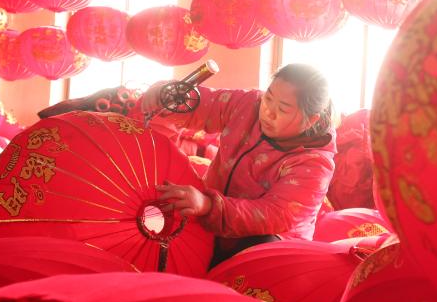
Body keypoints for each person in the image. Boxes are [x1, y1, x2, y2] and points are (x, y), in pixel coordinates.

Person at [140, 63, 336, 267]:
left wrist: (209, 205)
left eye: (283, 109)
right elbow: (207, 105)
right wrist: (168, 95)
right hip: (209, 215)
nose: (268, 112)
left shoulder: (315, 163)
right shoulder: (249, 104)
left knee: (255, 255)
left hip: (268, 247)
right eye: (268, 98)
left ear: (311, 120)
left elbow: (274, 215)